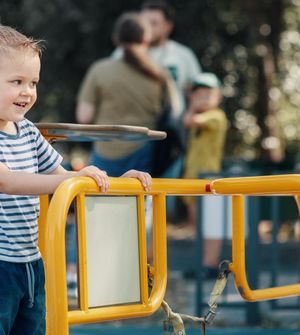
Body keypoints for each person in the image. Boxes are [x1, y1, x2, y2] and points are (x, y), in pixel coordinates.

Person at [0, 19, 152, 335]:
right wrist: (74, 178)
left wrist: (111, 182)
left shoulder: (27, 131)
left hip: (30, 263)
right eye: (17, 81)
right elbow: (5, 180)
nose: (28, 91)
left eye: (33, 82)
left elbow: (60, 175)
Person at [76, 12, 179, 176]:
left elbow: (84, 116)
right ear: (146, 39)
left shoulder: (99, 69)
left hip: (104, 153)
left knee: (101, 200)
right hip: (144, 153)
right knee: (138, 200)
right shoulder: (160, 74)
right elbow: (174, 112)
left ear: (116, 39)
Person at [182, 72, 228, 276]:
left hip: (209, 177)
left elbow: (189, 120)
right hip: (193, 175)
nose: (203, 98)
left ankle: (210, 263)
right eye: (198, 93)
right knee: (197, 223)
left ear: (218, 96)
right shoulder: (200, 116)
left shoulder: (216, 116)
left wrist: (192, 104)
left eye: (208, 93)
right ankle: (203, 262)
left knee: (210, 222)